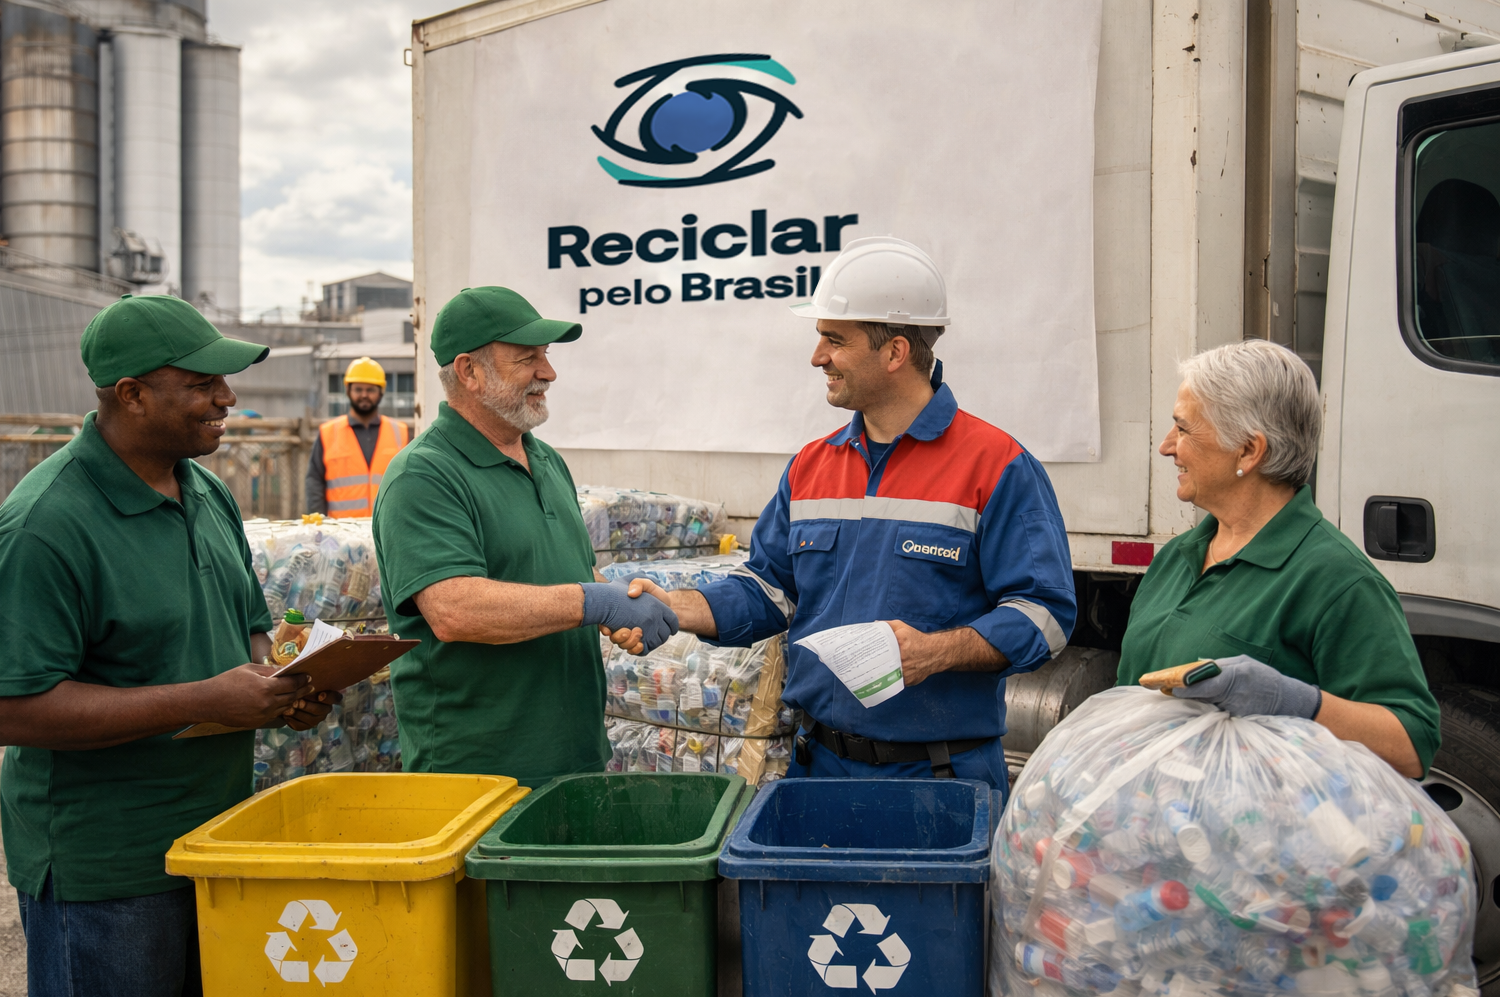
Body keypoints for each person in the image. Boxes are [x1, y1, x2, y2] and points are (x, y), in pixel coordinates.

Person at [628, 237, 1076, 791]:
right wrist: (678, 607)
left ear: (894, 353)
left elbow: (1046, 616)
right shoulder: (812, 466)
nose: (817, 357)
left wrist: (936, 652)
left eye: (834, 340)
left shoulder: (997, 466)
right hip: (819, 767)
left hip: (938, 779)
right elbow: (768, 591)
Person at [0, 295, 339, 996]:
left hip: (215, 845)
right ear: (132, 395)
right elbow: (14, 707)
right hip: (110, 871)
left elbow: (249, 628)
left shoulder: (204, 492)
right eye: (202, 384)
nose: (227, 397)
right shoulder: (46, 525)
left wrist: (287, 684)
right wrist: (208, 698)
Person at [371, 287, 678, 788]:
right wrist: (594, 602)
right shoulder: (424, 475)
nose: (548, 373)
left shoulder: (545, 459)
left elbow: (572, 575)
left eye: (546, 356)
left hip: (573, 760)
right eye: (527, 359)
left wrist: (625, 601)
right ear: (469, 372)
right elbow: (454, 609)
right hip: (476, 776)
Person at [1115, 339, 1439, 778]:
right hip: (1150, 828)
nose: (1167, 446)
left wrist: (1291, 700)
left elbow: (1411, 744)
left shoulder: (1336, 580)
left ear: (1249, 451)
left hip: (1254, 840)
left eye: (1184, 429)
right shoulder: (1177, 556)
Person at [305, 355, 411, 517]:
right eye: (358, 389)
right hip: (341, 533)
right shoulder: (328, 433)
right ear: (348, 391)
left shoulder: (400, 433)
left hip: (386, 528)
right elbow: (314, 481)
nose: (364, 395)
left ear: (381, 392)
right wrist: (321, 524)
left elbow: (410, 481)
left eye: (370, 390)